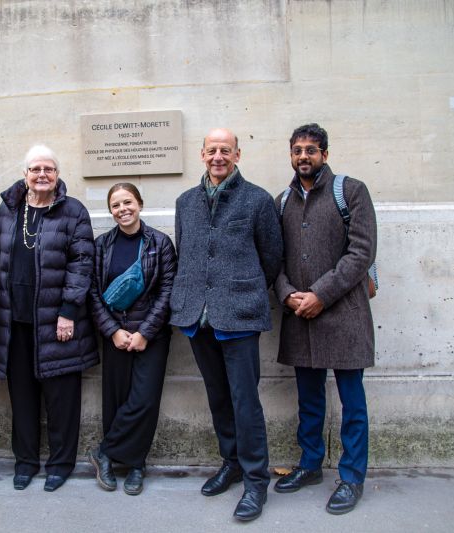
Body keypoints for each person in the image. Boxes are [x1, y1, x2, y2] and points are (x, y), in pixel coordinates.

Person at [169, 128, 282, 521]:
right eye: (211, 150)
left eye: (225, 150)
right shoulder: (185, 202)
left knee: (244, 402)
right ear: (202, 154)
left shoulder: (258, 200)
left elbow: (271, 257)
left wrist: (240, 292)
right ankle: (231, 462)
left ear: (238, 154)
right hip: (197, 319)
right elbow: (187, 253)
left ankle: (255, 481)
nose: (218, 156)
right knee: (218, 398)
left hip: (239, 317)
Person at [273, 123, 377, 515]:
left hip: (344, 314)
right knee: (309, 401)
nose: (304, 156)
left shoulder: (350, 191)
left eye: (311, 150)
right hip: (300, 316)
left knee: (352, 403)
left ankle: (351, 477)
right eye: (297, 149)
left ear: (325, 155)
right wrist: (287, 294)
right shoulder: (280, 201)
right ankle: (310, 465)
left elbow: (361, 252)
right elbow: (273, 257)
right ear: (291, 155)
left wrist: (322, 294)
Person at [0, 144, 98, 493]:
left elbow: (82, 265)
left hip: (58, 322)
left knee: (62, 399)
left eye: (49, 170)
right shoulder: (8, 211)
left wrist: (68, 311)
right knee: (21, 396)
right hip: (15, 321)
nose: (42, 175)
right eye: (36, 169)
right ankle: (25, 462)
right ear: (25, 175)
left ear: (57, 175)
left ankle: (60, 464)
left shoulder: (73, 212)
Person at [87, 183, 177, 496]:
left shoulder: (160, 243)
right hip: (115, 333)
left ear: (139, 203)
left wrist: (144, 333)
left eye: (128, 202)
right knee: (115, 399)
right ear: (110, 211)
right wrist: (112, 331)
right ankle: (114, 463)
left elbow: (167, 293)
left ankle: (123, 458)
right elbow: (93, 293)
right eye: (116, 205)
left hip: (151, 336)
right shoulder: (101, 246)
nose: (123, 209)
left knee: (144, 400)